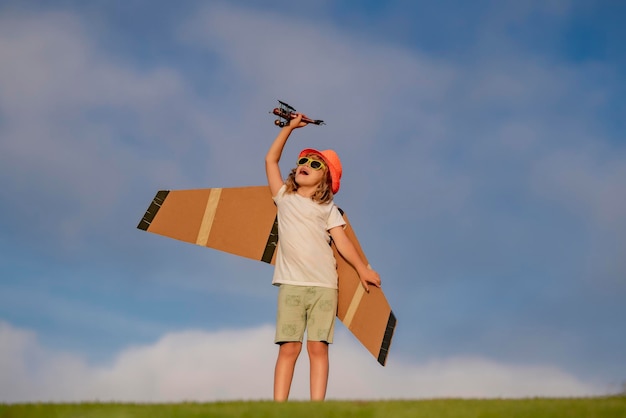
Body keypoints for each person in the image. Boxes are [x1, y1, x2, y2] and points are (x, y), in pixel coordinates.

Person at [265, 113, 382, 401]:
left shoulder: (328, 208)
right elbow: (270, 161)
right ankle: (278, 407)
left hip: (324, 287)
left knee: (318, 349)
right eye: (303, 161)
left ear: (325, 179)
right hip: (291, 285)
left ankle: (317, 408)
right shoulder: (284, 197)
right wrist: (290, 128)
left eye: (315, 164)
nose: (305, 165)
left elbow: (342, 243)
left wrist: (362, 269)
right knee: (288, 348)